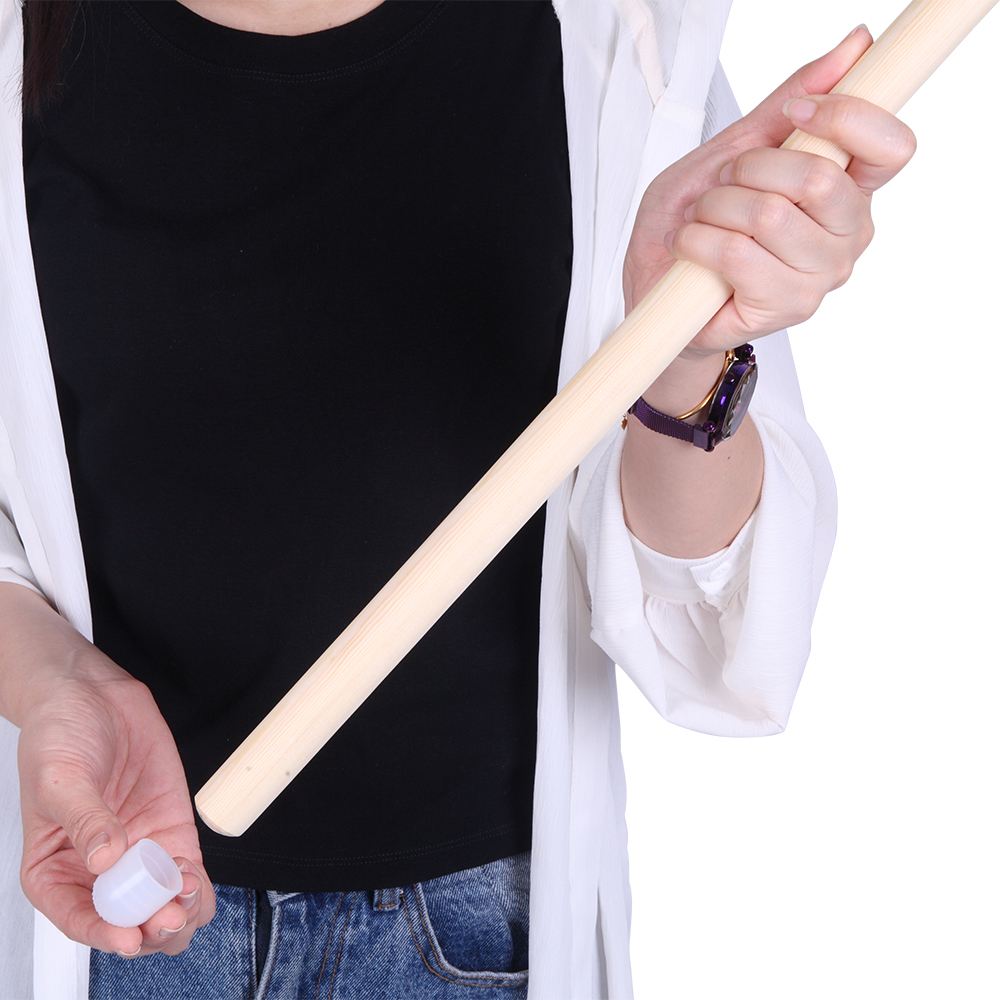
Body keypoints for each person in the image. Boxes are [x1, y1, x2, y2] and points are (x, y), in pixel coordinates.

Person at [0, 1, 915, 997]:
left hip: (476, 937)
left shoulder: (624, 48)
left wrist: (685, 354)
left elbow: (705, 626)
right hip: (112, 908)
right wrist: (54, 685)